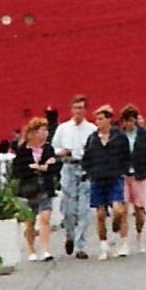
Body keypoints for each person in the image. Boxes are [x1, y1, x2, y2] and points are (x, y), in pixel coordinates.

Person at [79, 105, 133, 258]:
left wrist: (123, 170)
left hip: (114, 177)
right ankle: (103, 245)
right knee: (100, 214)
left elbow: (126, 156)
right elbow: (86, 158)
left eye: (101, 119)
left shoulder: (119, 137)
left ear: (109, 119)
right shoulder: (92, 138)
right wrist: (89, 172)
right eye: (97, 119)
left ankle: (116, 232)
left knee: (118, 210)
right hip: (97, 179)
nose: (98, 122)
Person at [50, 94, 95, 257]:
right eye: (76, 108)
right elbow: (53, 149)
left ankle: (80, 246)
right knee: (68, 208)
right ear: (71, 109)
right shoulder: (63, 129)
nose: (78, 111)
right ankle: (70, 235)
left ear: (85, 110)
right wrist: (61, 152)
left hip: (84, 168)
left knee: (84, 209)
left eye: (81, 108)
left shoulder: (92, 130)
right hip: (68, 167)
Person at [10, 118, 59, 260]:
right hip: (28, 189)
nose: (46, 133)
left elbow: (55, 166)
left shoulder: (48, 149)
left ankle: (44, 250)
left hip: (45, 187)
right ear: (33, 133)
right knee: (29, 221)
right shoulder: (23, 151)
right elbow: (17, 170)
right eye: (42, 130)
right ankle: (31, 249)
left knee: (45, 218)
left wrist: (45, 168)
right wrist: (33, 168)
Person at [120, 105, 146, 249]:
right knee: (123, 209)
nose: (128, 124)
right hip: (123, 174)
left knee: (139, 209)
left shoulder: (145, 135)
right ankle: (124, 241)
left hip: (140, 174)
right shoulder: (118, 135)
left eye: (131, 120)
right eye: (126, 121)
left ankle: (139, 233)